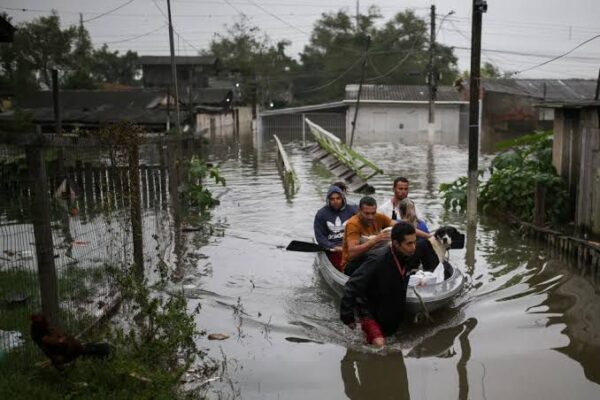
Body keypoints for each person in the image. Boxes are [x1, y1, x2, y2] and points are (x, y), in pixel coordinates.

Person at [340, 222, 421, 347]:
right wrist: (347, 317)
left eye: (415, 242)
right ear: (395, 243)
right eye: (409, 243)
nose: (414, 247)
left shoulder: (409, 255)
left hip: (389, 310)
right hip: (369, 310)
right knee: (380, 345)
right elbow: (352, 285)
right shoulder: (377, 259)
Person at [341, 196, 395, 276]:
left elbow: (399, 226)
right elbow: (352, 253)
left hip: (373, 258)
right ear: (359, 210)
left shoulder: (379, 217)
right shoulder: (353, 224)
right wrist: (375, 240)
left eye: (373, 213)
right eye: (367, 213)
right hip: (352, 264)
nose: (370, 217)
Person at [314, 185, 357, 270]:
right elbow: (320, 238)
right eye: (332, 199)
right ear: (328, 200)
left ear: (342, 198)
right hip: (334, 249)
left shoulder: (353, 210)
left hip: (351, 245)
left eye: (338, 198)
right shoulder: (321, 214)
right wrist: (334, 247)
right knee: (342, 265)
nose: (335, 201)